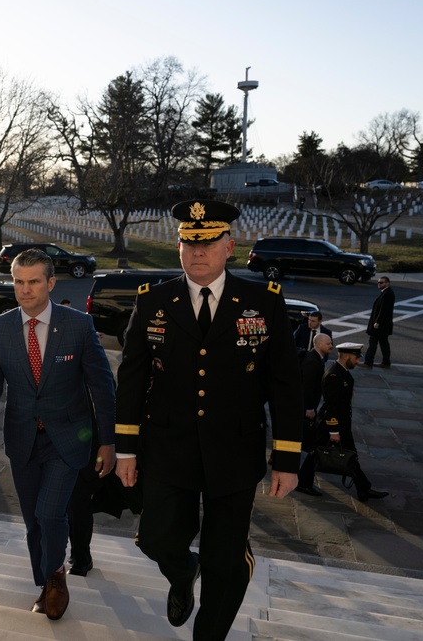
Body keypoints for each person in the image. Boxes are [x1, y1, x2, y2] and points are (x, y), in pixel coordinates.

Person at [114, 199, 303, 640]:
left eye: (208, 242)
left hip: (234, 450)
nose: (197, 252)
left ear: (229, 246)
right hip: (167, 447)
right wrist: (126, 447)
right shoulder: (153, 302)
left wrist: (288, 459)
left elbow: (285, 385)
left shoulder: (264, 303)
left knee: (227, 560)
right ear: (178, 247)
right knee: (156, 540)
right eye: (188, 242)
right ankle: (184, 574)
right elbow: (131, 381)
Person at [0, 249, 116, 621]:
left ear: (51, 283)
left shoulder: (78, 324)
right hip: (22, 440)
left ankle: (56, 578)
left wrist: (109, 441)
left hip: (68, 439)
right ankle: (49, 576)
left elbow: (102, 386)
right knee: (33, 521)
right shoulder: (0, 326)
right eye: (18, 281)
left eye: (33, 281)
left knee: (50, 513)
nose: (24, 289)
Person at [316, 342, 388, 502]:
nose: (358, 362)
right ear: (347, 356)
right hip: (333, 424)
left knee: (318, 453)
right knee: (346, 455)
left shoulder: (342, 372)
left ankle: (363, 488)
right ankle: (364, 488)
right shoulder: (335, 375)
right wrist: (334, 431)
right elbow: (331, 405)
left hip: (338, 424)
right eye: (356, 358)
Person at [295, 333, 335, 496]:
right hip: (307, 408)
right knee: (309, 441)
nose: (331, 346)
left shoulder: (315, 358)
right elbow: (308, 387)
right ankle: (303, 480)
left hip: (306, 407)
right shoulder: (313, 362)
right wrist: (310, 408)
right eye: (328, 343)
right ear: (318, 344)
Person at [361, 276, 395, 369]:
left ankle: (368, 362)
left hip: (380, 325)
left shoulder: (387, 294)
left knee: (373, 342)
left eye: (381, 283)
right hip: (384, 325)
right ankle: (386, 362)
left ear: (387, 283)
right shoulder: (386, 293)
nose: (379, 284)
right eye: (379, 282)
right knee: (384, 343)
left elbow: (383, 310)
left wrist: (377, 322)